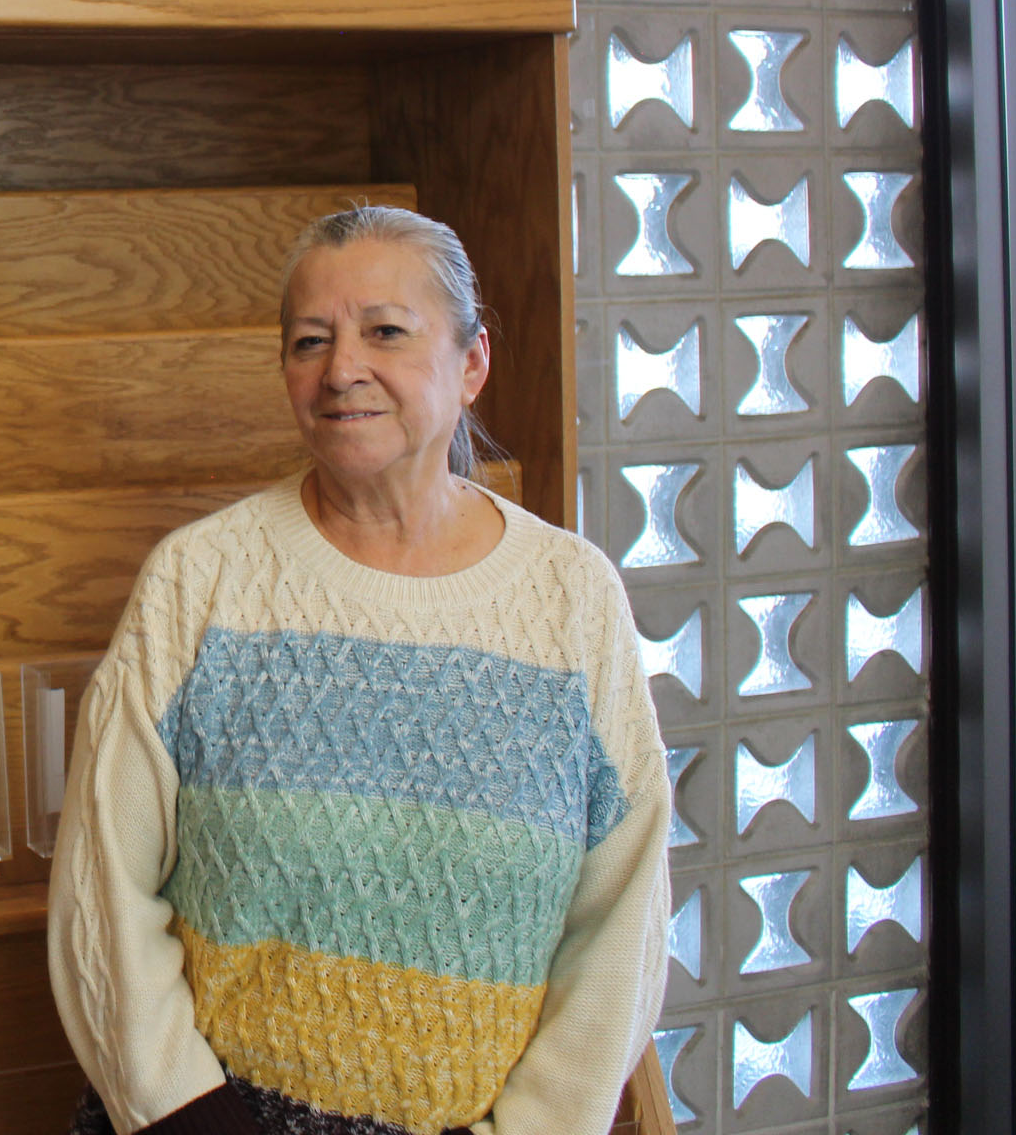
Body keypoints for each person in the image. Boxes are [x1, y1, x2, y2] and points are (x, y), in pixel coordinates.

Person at [48, 205, 671, 1135]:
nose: (342, 370)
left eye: (385, 331)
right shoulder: (200, 580)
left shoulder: (572, 598)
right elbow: (102, 882)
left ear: (472, 363)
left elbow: (624, 914)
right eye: (310, 341)